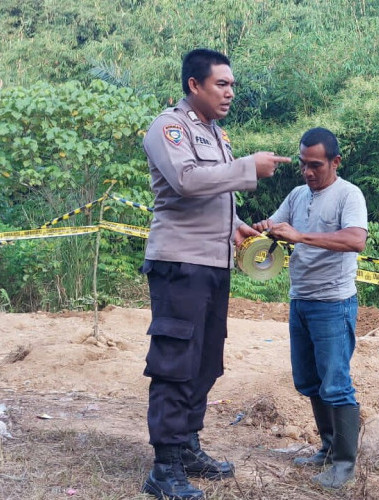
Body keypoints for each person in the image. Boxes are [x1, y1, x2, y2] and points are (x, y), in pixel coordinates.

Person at [140, 48, 291, 499]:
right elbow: (186, 181)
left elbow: (211, 195)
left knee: (206, 360)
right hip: (179, 264)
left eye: (231, 85)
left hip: (213, 264)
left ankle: (187, 445)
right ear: (194, 85)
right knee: (175, 362)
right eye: (221, 84)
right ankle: (164, 468)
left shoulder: (216, 135)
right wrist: (249, 168)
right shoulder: (169, 127)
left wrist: (236, 227)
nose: (229, 93)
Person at [253, 127, 368, 489]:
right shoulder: (298, 195)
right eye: (303, 164)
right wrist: (263, 229)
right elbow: (277, 224)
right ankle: (328, 449)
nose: (308, 172)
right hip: (300, 300)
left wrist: (300, 236)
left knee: (336, 384)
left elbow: (355, 239)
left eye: (315, 165)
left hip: (334, 303)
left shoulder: (349, 195)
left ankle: (345, 464)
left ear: (335, 161)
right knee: (310, 382)